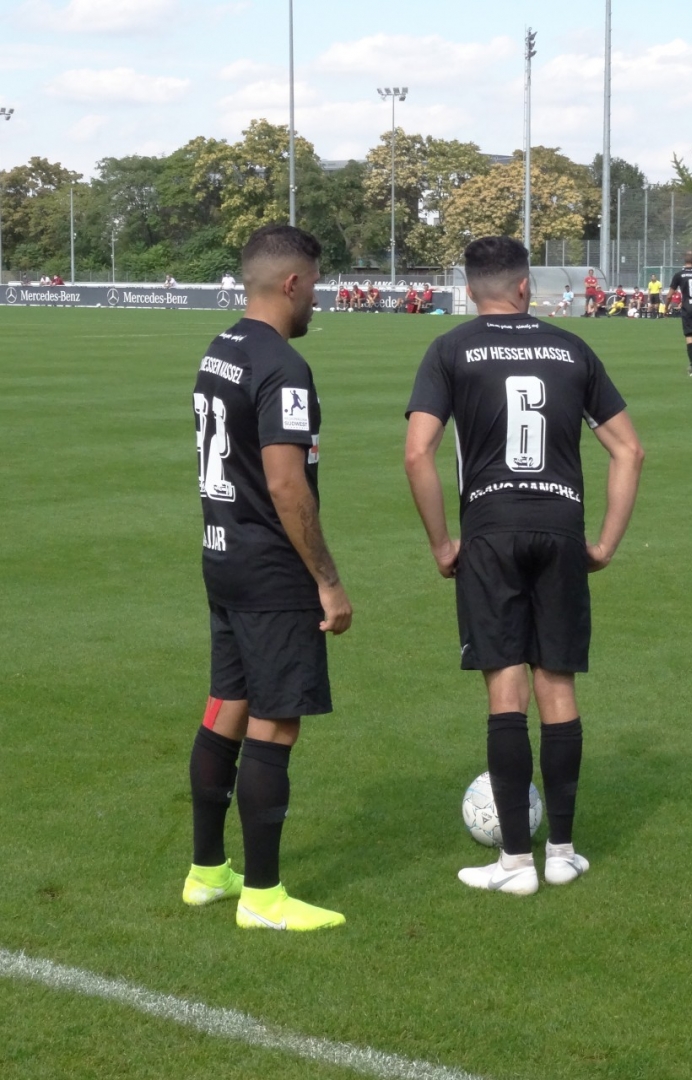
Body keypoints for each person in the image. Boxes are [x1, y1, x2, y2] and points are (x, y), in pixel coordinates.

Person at [404, 236, 644, 896]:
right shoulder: (572, 348)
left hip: (491, 531)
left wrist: (442, 544)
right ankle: (561, 852)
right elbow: (630, 451)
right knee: (557, 685)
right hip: (562, 527)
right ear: (524, 287)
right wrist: (605, 543)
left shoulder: (451, 348)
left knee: (505, 688)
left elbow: (418, 453)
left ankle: (515, 864)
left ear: (469, 289)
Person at [185, 223, 352, 932]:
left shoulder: (220, 347)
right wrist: (328, 580)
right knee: (276, 722)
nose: (318, 297)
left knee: (227, 702)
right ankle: (262, 896)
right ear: (291, 283)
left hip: (221, 552)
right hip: (269, 567)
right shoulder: (283, 365)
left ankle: (206, 873)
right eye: (315, 284)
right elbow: (286, 484)